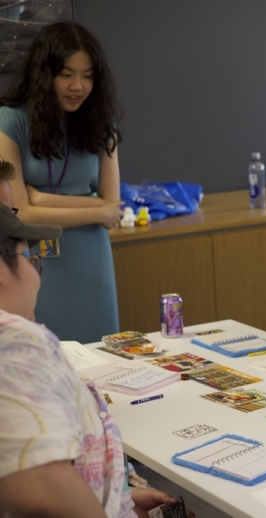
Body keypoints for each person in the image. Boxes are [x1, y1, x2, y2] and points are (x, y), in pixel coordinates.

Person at [0, 205, 192, 517]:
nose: (37, 276)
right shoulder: (14, 338)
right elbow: (42, 489)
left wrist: (120, 496)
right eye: (31, 261)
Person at [0, 21, 124, 343]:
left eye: (87, 75)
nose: (77, 86)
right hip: (36, 264)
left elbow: (114, 209)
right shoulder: (10, 122)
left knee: (102, 366)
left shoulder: (100, 123)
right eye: (66, 74)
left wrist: (40, 199)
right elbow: (16, 214)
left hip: (92, 263)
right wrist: (96, 209)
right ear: (45, 75)